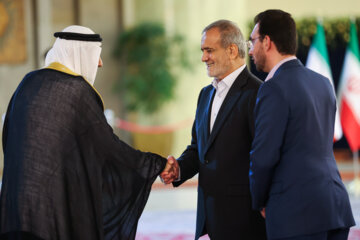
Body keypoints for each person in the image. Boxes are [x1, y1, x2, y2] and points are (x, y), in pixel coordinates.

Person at [0, 25, 176, 240]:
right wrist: (154, 164)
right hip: (55, 209)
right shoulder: (76, 91)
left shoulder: (28, 83)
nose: (100, 63)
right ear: (80, 53)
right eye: (96, 55)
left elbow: (8, 137)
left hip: (18, 206)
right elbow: (108, 148)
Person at [248, 9, 355, 240]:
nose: (250, 49)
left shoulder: (273, 87)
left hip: (296, 213)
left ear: (267, 42)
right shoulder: (323, 83)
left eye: (252, 41)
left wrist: (259, 200)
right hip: (335, 205)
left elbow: (264, 155)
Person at [162, 20, 266, 239]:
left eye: (209, 51)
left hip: (246, 219)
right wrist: (178, 168)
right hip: (211, 216)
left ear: (232, 50)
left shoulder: (258, 93)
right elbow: (199, 149)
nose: (203, 58)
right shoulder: (204, 95)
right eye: (203, 51)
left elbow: (263, 157)